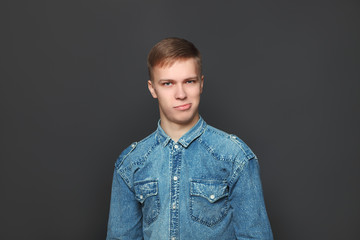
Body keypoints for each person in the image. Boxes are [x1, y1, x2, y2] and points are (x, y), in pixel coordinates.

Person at [106, 37, 273, 240]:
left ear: (201, 84)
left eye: (189, 81)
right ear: (152, 88)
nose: (181, 94)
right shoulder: (130, 163)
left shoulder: (235, 156)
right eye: (168, 83)